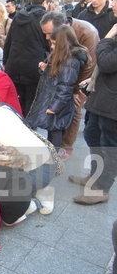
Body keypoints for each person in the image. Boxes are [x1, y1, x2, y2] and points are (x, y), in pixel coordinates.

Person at [40, 12, 99, 159]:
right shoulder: (55, 36)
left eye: (49, 34)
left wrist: (77, 91)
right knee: (56, 110)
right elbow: (54, 56)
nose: (47, 38)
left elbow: (89, 66)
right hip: (63, 76)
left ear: (62, 28)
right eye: (45, 34)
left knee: (74, 107)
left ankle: (66, 147)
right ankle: (53, 145)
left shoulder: (87, 33)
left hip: (82, 77)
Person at [71, 23, 117, 205]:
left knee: (110, 147)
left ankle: (102, 188)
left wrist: (109, 35)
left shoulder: (113, 31)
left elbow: (107, 61)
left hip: (112, 103)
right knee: (92, 135)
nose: (113, 3)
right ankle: (94, 176)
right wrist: (94, 77)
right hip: (104, 95)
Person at [26, 25, 87, 150]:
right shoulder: (63, 57)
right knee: (52, 130)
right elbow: (57, 77)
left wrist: (55, 107)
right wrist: (46, 69)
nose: (52, 46)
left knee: (55, 132)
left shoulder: (70, 61)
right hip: (54, 100)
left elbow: (65, 86)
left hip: (57, 103)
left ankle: (53, 161)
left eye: (54, 43)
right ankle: (52, 158)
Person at [3, 0, 52, 117]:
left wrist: (5, 61)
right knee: (31, 100)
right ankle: (27, 128)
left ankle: (16, 122)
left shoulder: (19, 16)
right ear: (44, 2)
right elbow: (49, 42)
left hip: (14, 64)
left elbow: (9, 40)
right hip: (34, 65)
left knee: (15, 99)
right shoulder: (45, 18)